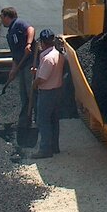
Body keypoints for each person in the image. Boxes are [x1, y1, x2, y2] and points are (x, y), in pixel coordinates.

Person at [23, 28, 64, 159]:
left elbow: (42, 79)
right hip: (57, 91)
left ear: (42, 42)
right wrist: (37, 71)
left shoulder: (47, 58)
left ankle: (45, 150)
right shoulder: (58, 54)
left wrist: (34, 83)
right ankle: (54, 147)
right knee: (54, 120)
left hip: (47, 93)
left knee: (43, 121)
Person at [0, 7, 35, 135]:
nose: (1, 20)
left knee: (30, 92)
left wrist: (29, 44)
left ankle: (33, 121)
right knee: (23, 93)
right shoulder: (10, 33)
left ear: (8, 17)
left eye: (2, 17)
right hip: (21, 65)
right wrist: (13, 70)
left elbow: (30, 29)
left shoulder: (19, 23)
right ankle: (25, 120)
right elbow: (15, 55)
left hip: (29, 63)